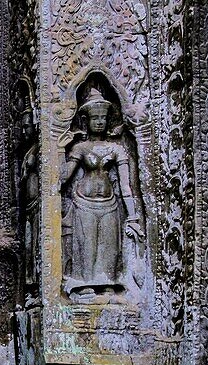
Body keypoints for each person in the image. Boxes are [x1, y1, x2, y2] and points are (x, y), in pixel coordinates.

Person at [59, 87, 143, 301]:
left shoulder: (116, 148)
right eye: (94, 118)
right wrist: (59, 151)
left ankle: (108, 281)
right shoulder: (80, 147)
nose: (99, 122)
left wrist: (132, 215)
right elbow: (63, 178)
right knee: (87, 246)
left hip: (110, 203)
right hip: (83, 202)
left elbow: (126, 186)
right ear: (86, 121)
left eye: (103, 118)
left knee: (109, 247)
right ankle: (85, 282)